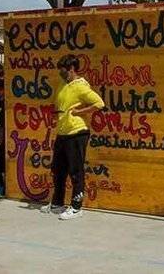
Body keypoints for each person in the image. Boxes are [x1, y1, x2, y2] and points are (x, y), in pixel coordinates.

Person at [42, 54, 105, 220]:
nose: (60, 73)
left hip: (77, 132)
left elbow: (99, 103)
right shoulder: (63, 84)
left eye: (63, 70)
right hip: (62, 131)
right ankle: (57, 202)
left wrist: (79, 112)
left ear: (71, 69)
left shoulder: (81, 87)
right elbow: (61, 104)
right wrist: (56, 114)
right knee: (58, 169)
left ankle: (76, 207)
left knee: (75, 171)